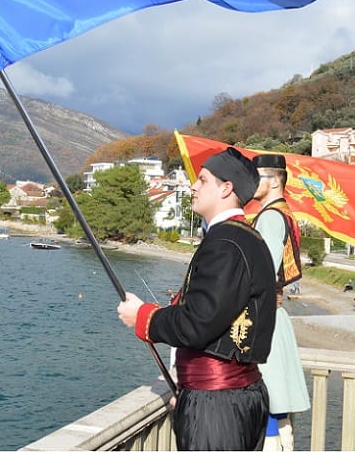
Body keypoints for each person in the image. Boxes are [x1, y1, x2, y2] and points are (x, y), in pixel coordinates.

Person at [117, 147, 277, 451]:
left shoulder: (226, 243)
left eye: (202, 180)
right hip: (231, 396)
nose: (193, 186)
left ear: (226, 188)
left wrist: (143, 316)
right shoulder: (247, 238)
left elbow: (198, 322)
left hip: (219, 405)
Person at [251, 153, 311, 451]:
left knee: (267, 397)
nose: (251, 180)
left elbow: (262, 271)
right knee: (276, 405)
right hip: (277, 314)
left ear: (275, 181)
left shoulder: (271, 217)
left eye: (257, 175)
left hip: (265, 319)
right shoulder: (286, 213)